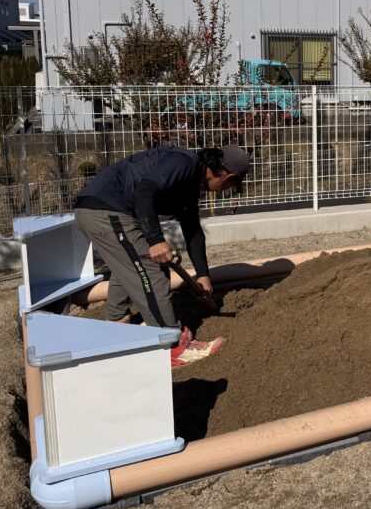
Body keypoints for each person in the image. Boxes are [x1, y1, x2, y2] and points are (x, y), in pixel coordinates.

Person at [73, 144, 250, 367]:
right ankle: (172, 345)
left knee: (131, 265)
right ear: (227, 176)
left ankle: (117, 324)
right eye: (232, 184)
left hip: (103, 208)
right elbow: (144, 190)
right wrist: (156, 240)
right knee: (151, 270)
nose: (226, 189)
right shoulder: (184, 163)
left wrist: (203, 275)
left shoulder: (190, 181)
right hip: (106, 209)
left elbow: (192, 229)